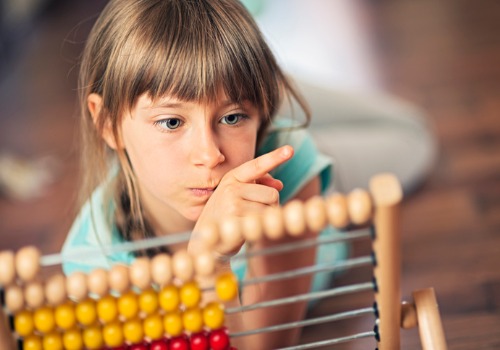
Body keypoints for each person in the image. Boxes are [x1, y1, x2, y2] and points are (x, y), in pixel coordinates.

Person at [61, 0, 347, 348]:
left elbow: (265, 346)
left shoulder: (287, 168)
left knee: (411, 139)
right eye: (171, 122)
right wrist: (209, 263)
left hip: (326, 171)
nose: (210, 156)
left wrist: (209, 266)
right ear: (107, 123)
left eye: (232, 117)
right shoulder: (95, 265)